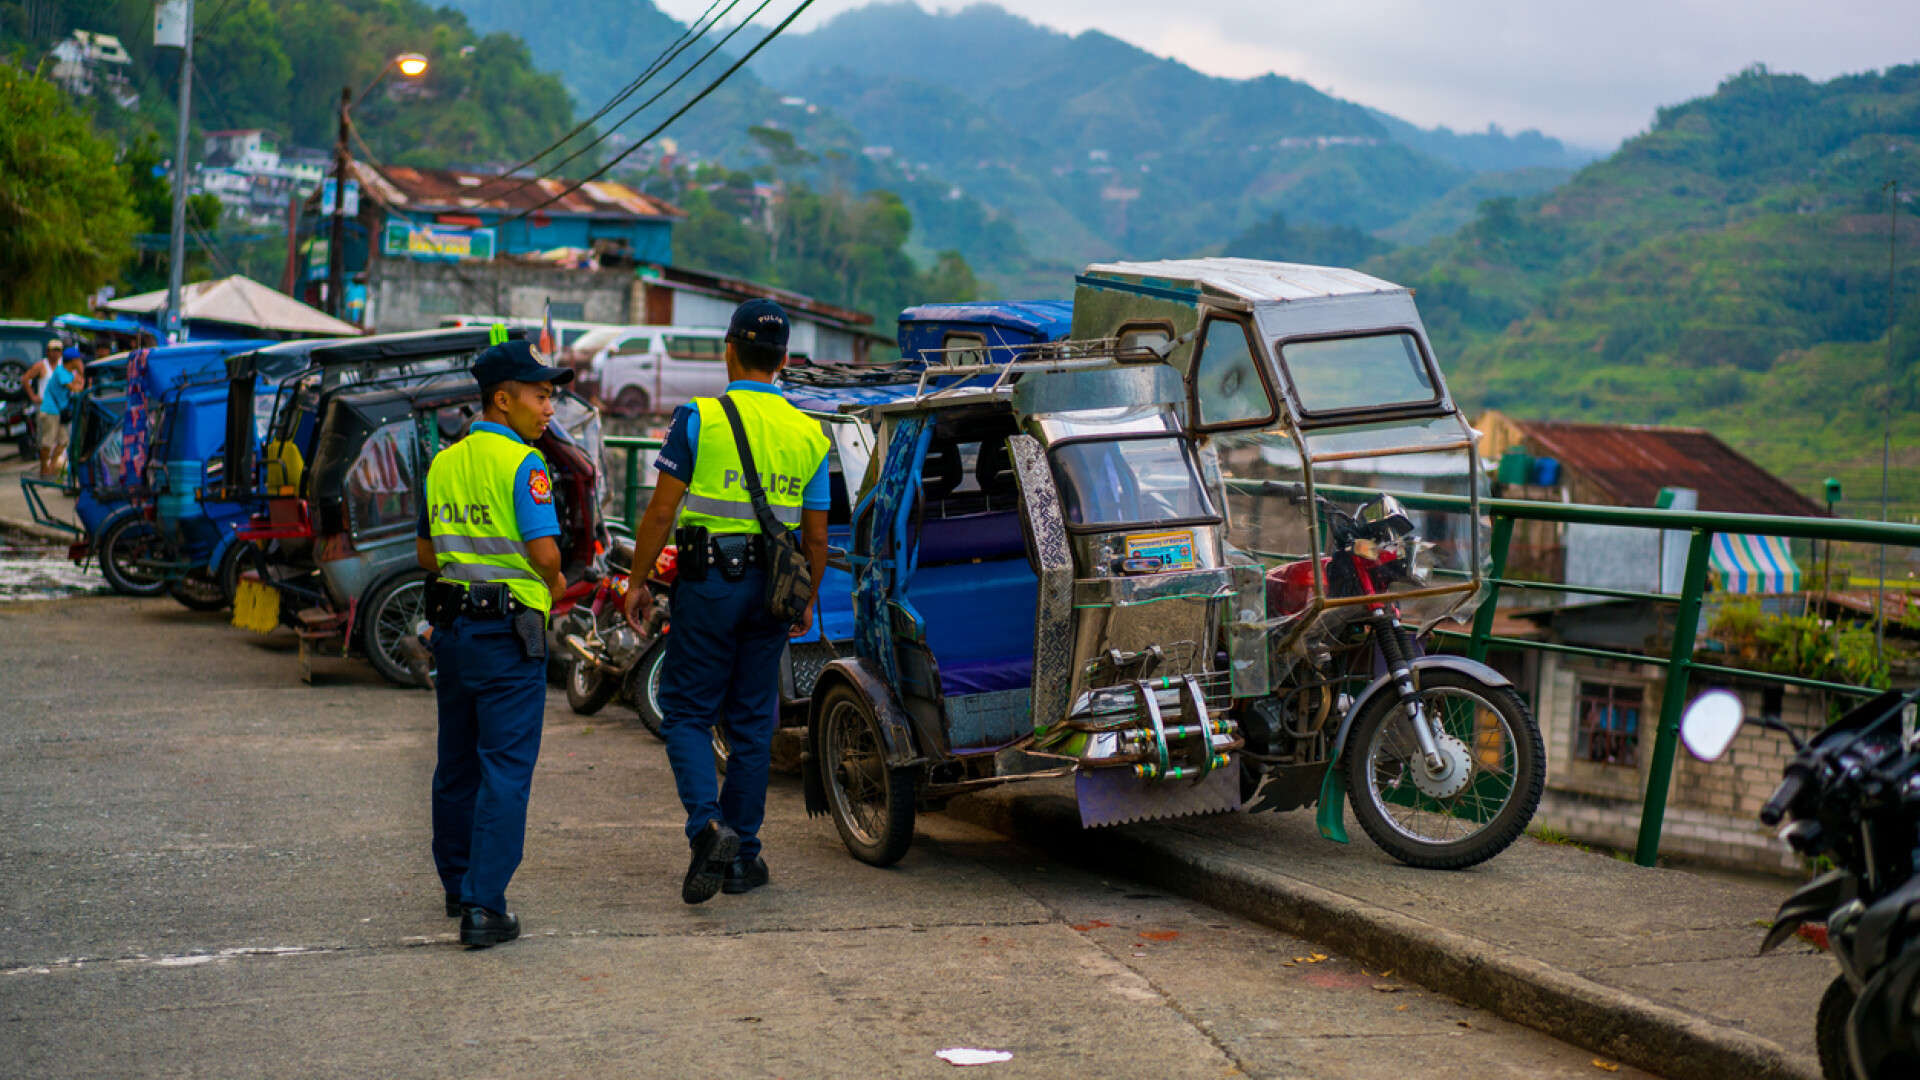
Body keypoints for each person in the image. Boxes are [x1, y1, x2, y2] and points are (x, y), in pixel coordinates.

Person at [624, 299, 829, 905]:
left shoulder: (698, 418)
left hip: (708, 583)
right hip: (773, 591)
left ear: (729, 350)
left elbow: (662, 511)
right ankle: (742, 859)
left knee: (687, 714)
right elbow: (816, 537)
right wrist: (807, 598)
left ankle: (706, 827)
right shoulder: (809, 432)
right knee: (747, 725)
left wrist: (636, 581)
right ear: (785, 359)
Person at [414, 338, 573, 948]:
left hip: (454, 631)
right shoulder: (525, 466)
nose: (549, 408)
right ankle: (485, 907)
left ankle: (458, 886)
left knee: (456, 764)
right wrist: (554, 577)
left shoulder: (444, 461)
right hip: (509, 637)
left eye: (551, 396)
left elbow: (428, 554)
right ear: (502, 401)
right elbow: (544, 553)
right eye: (540, 396)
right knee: (505, 769)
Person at [27, 345, 86, 477]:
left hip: (59, 412)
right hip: (50, 411)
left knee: (64, 440)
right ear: (73, 361)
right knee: (48, 441)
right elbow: (76, 388)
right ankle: (44, 469)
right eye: (78, 360)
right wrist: (81, 375)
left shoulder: (69, 373)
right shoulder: (60, 372)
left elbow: (81, 382)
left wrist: (80, 376)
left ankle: (52, 466)